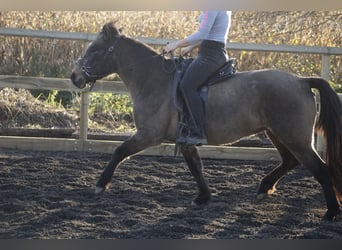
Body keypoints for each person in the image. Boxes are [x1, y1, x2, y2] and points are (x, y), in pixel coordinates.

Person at [164, 11, 232, 145]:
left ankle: (198, 131)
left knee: (187, 85)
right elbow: (209, 34)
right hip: (211, 51)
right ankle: (186, 125)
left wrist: (175, 45)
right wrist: (190, 46)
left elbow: (201, 34)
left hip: (211, 55)